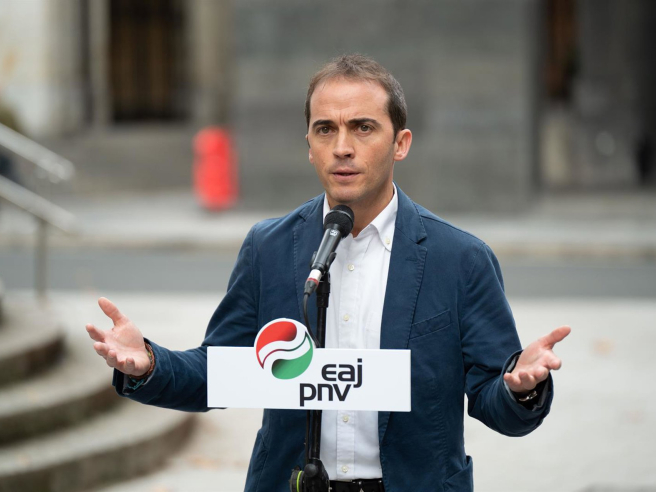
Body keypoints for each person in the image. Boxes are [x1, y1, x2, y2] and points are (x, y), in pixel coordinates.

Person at [86, 54, 570, 492]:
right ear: (309, 145)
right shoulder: (269, 248)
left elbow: (494, 401)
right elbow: (219, 372)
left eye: (363, 128)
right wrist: (149, 363)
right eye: (325, 129)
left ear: (400, 143)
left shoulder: (460, 258)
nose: (342, 147)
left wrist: (520, 387)